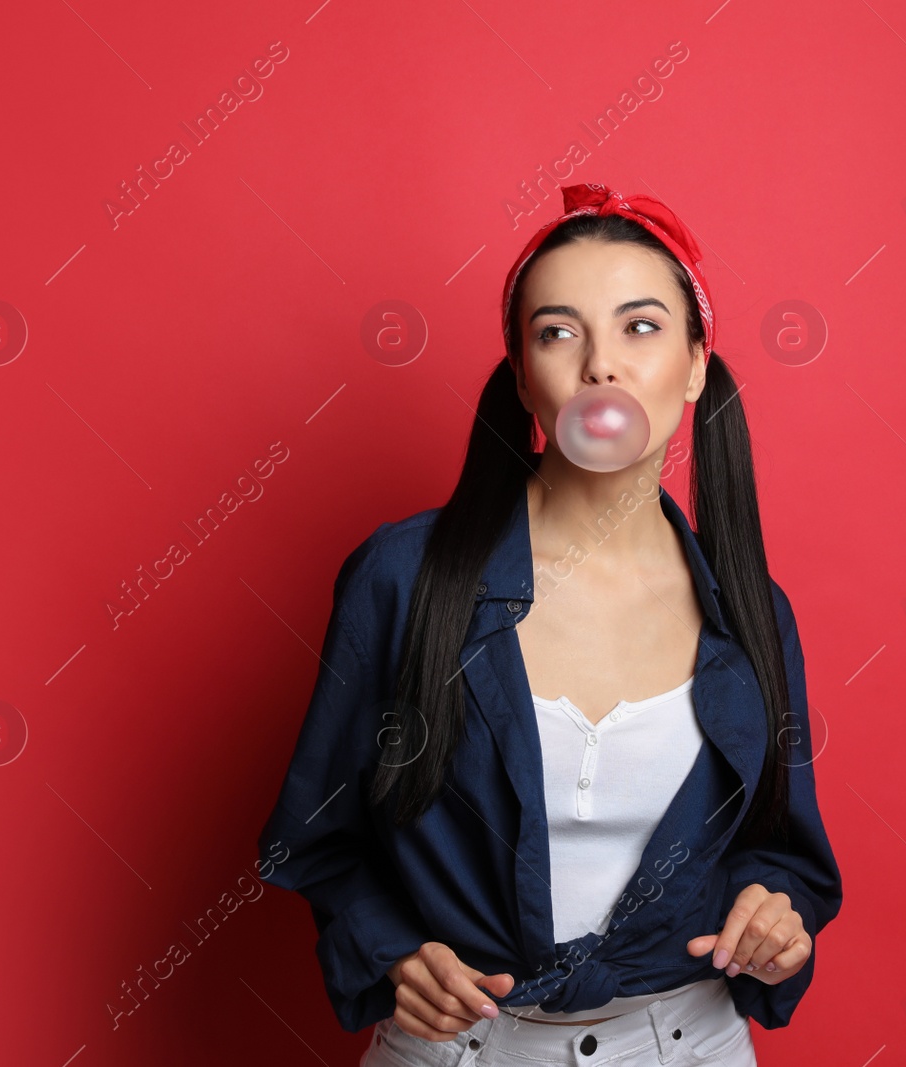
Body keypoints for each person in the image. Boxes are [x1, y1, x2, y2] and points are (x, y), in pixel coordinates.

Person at [257, 183, 842, 1066]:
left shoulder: (755, 610)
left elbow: (783, 852)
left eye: (640, 327)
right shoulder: (404, 577)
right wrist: (390, 951)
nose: (600, 365)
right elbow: (318, 840)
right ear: (524, 377)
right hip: (460, 1049)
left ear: (694, 364)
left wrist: (775, 911)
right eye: (559, 331)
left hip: (688, 1043)